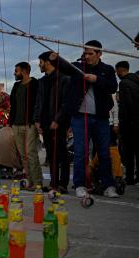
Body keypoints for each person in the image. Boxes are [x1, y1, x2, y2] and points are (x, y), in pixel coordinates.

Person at [52, 40, 119, 198]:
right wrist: (55, 59)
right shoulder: (78, 68)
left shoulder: (107, 69)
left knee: (103, 152)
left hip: (101, 117)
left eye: (91, 53)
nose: (87, 56)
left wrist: (96, 80)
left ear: (99, 54)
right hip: (80, 117)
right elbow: (65, 67)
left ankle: (108, 185)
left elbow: (112, 87)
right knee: (81, 152)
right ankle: (80, 184)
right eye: (86, 53)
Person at [35, 51, 70, 193]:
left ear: (48, 62)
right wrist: (37, 120)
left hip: (59, 122)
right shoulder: (42, 81)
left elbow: (66, 102)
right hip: (44, 122)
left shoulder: (63, 79)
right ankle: (53, 183)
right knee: (51, 153)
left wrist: (58, 120)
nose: (39, 65)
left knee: (62, 153)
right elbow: (38, 101)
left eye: (41, 62)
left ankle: (63, 184)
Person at [8, 62, 42, 189]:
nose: (14, 73)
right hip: (16, 124)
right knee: (23, 155)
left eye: (16, 71)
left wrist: (36, 120)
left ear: (24, 71)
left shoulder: (35, 84)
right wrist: (10, 123)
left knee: (31, 153)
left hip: (30, 124)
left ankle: (37, 182)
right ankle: (29, 180)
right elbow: (13, 104)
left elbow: (39, 103)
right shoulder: (16, 86)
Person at [115, 60, 139, 185]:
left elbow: (126, 106)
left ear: (120, 70)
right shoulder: (136, 81)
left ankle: (129, 177)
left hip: (129, 124)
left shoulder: (124, 83)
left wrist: (121, 123)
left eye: (116, 71)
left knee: (128, 152)